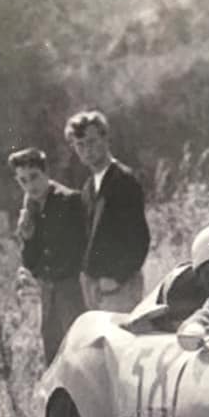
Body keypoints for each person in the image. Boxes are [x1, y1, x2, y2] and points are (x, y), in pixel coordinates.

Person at [64, 110, 149, 313]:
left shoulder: (123, 180)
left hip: (119, 286)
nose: (87, 150)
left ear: (105, 138)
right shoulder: (88, 187)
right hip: (95, 288)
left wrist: (118, 277)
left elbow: (140, 238)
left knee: (122, 341)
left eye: (92, 142)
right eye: (80, 145)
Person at [8, 147, 87, 364]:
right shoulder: (31, 208)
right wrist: (28, 237)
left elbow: (81, 248)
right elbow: (30, 262)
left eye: (34, 177)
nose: (30, 185)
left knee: (79, 348)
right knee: (53, 351)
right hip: (48, 290)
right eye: (23, 181)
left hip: (72, 287)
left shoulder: (69, 200)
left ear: (46, 172)